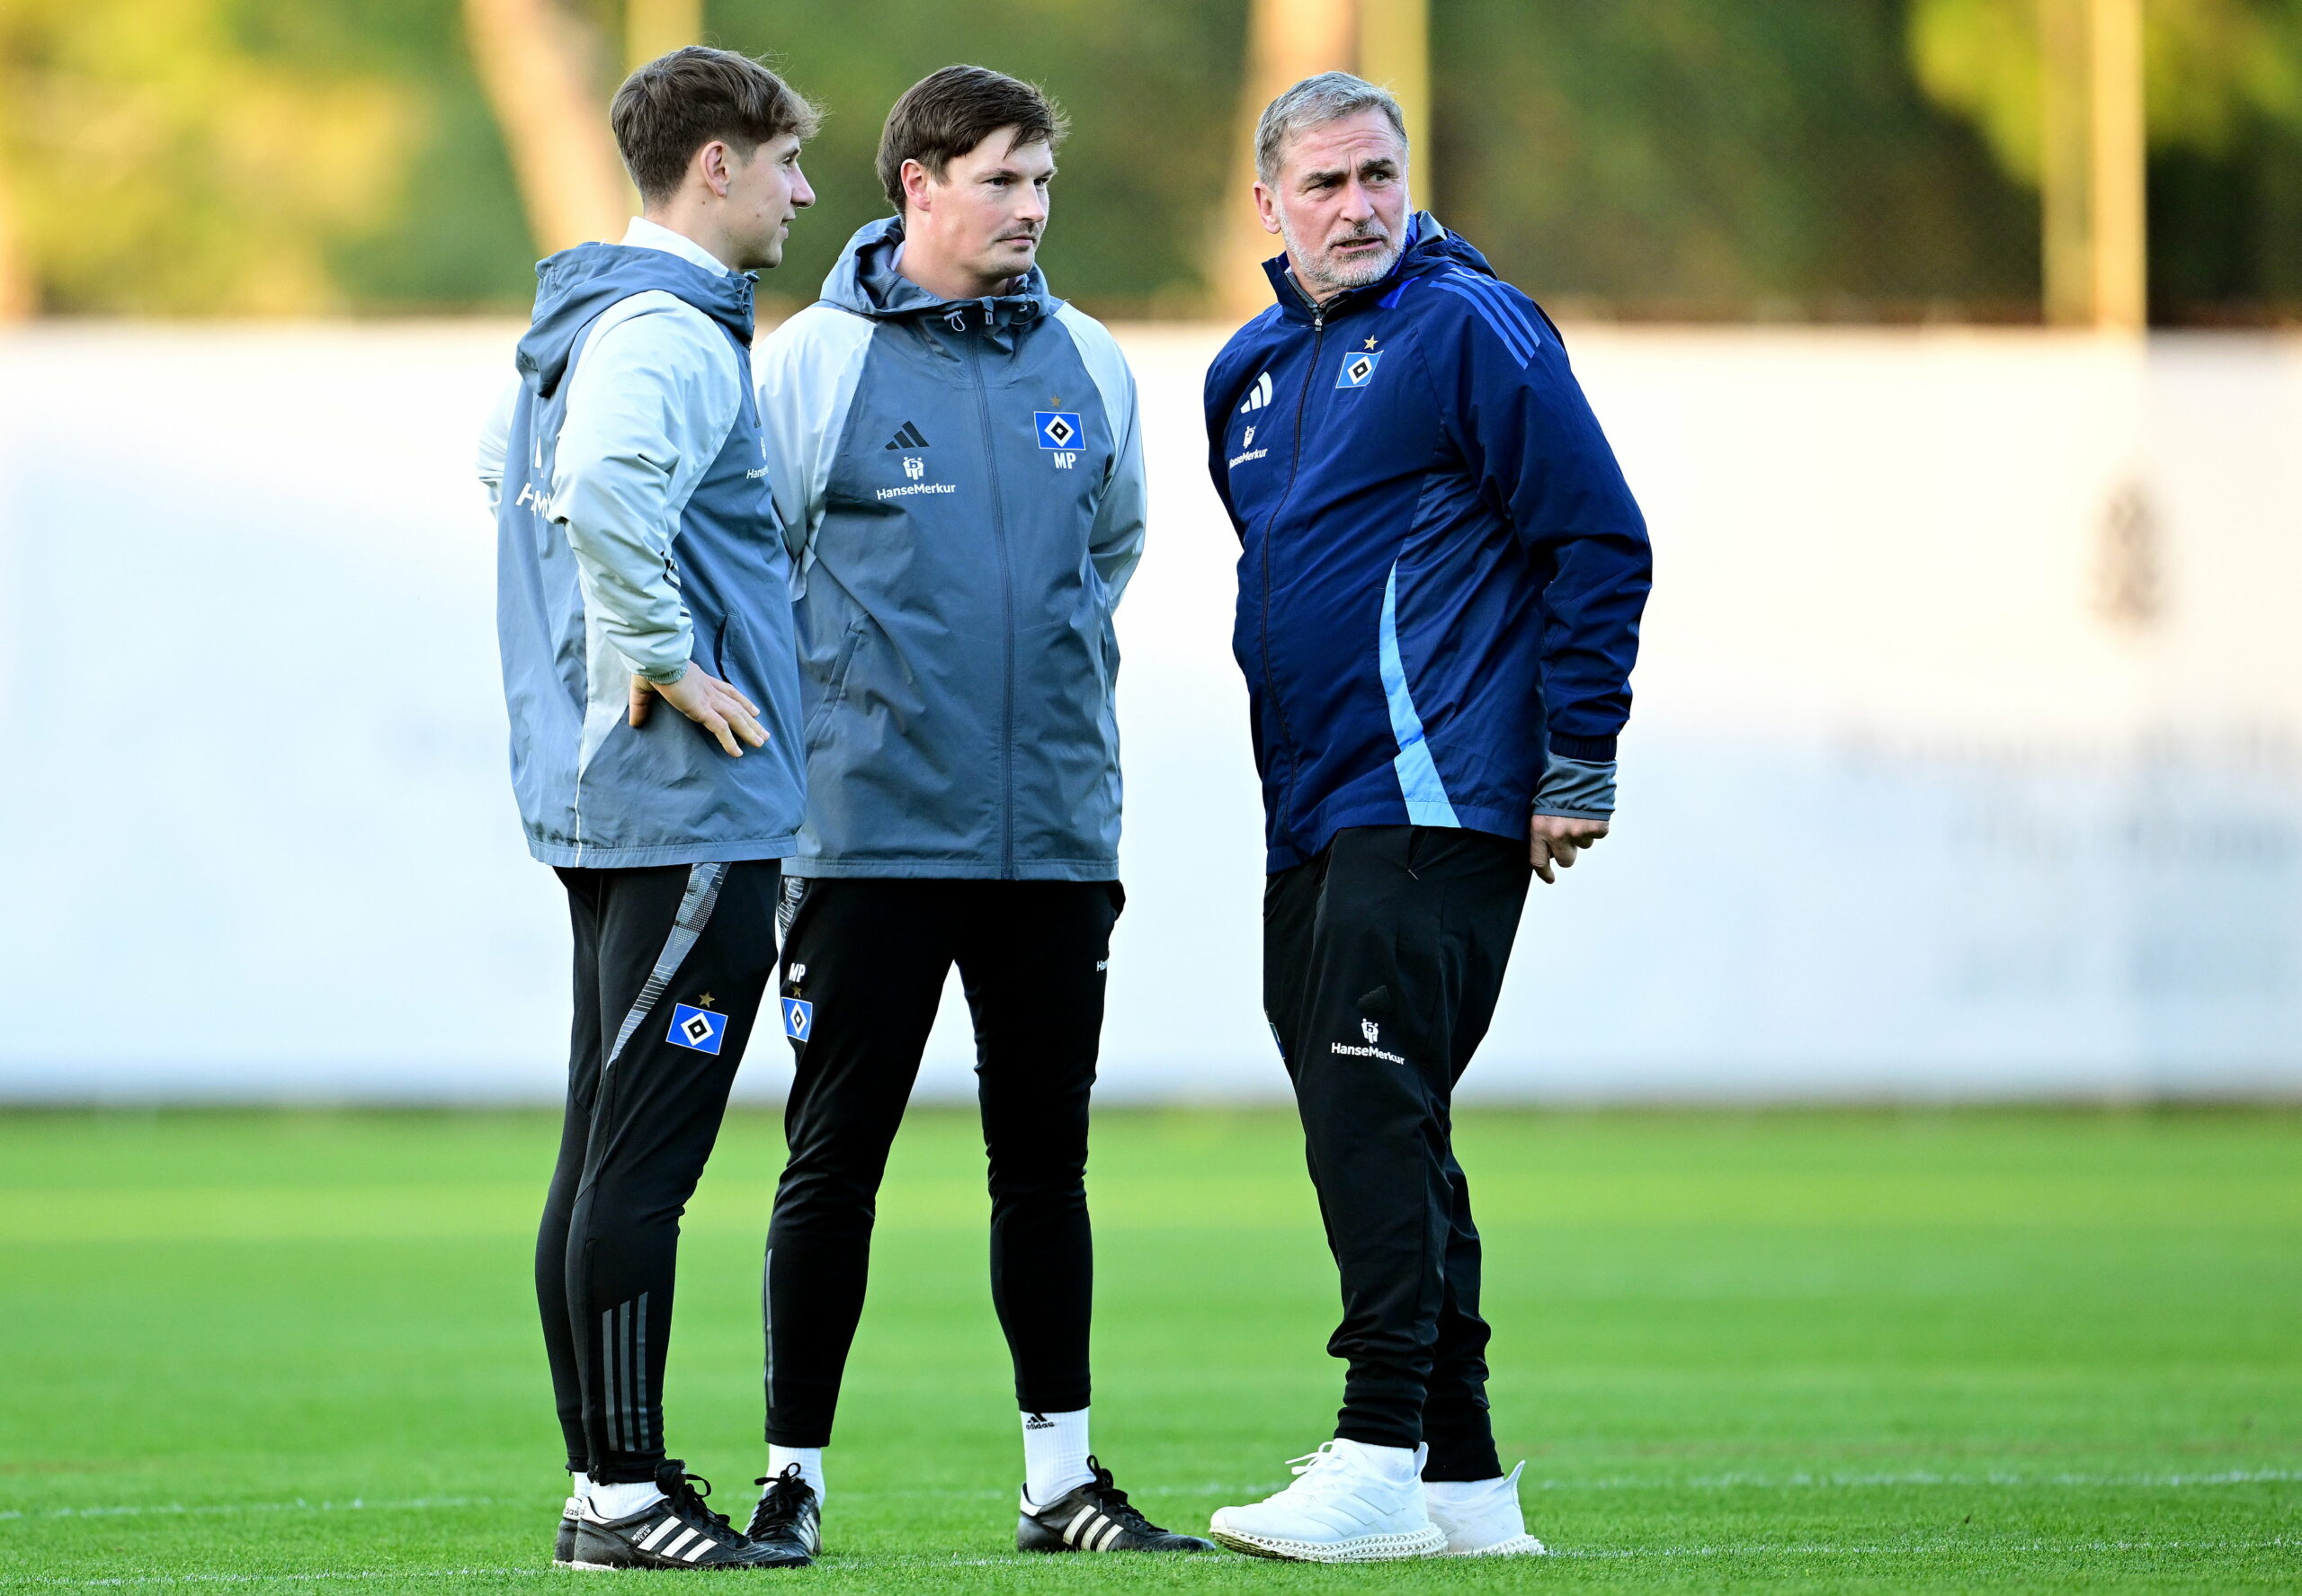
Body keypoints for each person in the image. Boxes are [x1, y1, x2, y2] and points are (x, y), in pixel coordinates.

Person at [744, 64, 1210, 1558]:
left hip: (1054, 843)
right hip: (868, 840)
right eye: (1002, 180)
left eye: (1043, 183)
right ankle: (791, 1481)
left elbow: (1111, 552)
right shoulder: (814, 364)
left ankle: (1061, 1483)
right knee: (834, 1165)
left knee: (1045, 1167)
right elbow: (760, 571)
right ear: (918, 187)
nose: (1031, 209)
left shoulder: (1091, 359)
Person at [1200, 73, 1653, 1563]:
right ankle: (1462, 1484)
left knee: (1368, 1102)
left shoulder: (1472, 324)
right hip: (1309, 814)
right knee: (1383, 1118)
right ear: (1267, 203)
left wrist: (1575, 753)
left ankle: (1377, 1444)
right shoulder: (1246, 375)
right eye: (1323, 185)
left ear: (1410, 179)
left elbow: (1598, 538)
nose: (1357, 207)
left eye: (1378, 175)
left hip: (1440, 794)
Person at [478, 46, 820, 1571]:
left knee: (600, 1143)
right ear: (718, 167)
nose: (807, 191)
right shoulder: (670, 332)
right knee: (645, 1162)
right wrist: (669, 659)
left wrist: (609, 644)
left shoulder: (574, 323)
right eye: (790, 162)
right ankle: (624, 1493)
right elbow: (607, 489)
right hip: (691, 811)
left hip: (610, 805)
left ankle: (600, 1486)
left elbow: (510, 477)